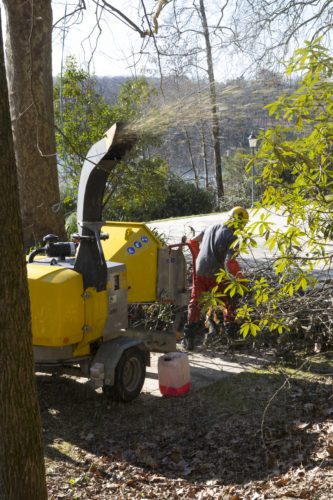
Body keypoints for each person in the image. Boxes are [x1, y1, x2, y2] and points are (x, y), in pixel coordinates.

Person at [183, 206, 249, 350]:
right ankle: (231, 337)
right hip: (216, 274)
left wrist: (199, 257)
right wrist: (242, 281)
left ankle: (188, 338)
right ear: (240, 223)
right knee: (230, 300)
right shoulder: (233, 236)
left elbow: (192, 241)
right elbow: (231, 263)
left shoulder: (211, 227)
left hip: (199, 271)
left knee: (195, 302)